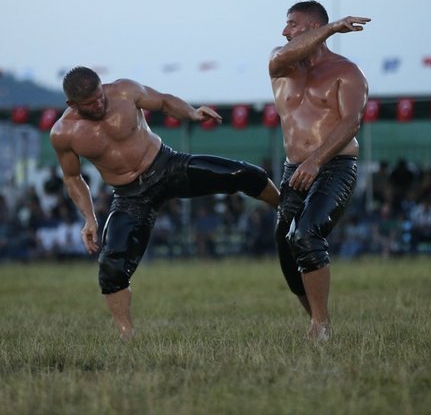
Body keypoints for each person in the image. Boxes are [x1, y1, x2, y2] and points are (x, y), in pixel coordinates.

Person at [50, 66, 280, 340]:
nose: (99, 104)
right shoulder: (63, 133)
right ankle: (127, 335)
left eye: (100, 96)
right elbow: (73, 178)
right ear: (72, 105)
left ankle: (286, 208)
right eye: (90, 103)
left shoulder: (124, 90)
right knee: (111, 266)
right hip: (130, 195)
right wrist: (89, 218)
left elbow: (164, 101)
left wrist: (192, 112)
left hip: (166, 166)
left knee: (243, 174)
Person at [268, 0, 370, 340]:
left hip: (335, 164)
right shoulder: (281, 64)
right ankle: (316, 319)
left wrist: (317, 160)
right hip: (293, 167)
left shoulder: (347, 72)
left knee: (307, 234)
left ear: (311, 28)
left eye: (292, 24)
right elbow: (282, 55)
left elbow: (351, 121)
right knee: (286, 246)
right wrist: (331, 28)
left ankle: (321, 326)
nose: (284, 31)